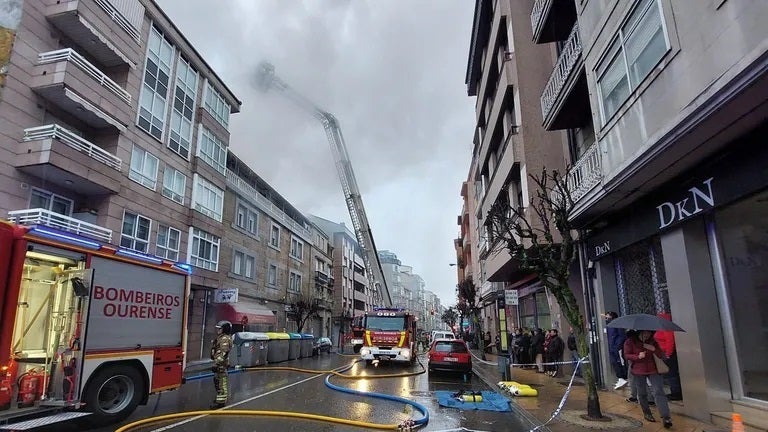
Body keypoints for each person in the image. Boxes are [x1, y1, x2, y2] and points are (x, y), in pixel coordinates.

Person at [623, 329, 673, 428]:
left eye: (649, 333)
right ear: (640, 332)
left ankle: (666, 417)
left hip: (653, 369)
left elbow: (661, 355)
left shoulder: (653, 341)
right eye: (645, 333)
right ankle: (647, 413)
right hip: (638, 370)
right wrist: (638, 356)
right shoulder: (630, 341)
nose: (647, 335)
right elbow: (627, 355)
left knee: (659, 391)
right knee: (642, 393)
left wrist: (654, 349)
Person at [654, 313, 683, 401]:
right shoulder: (661, 328)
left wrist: (668, 353)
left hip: (668, 353)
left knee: (671, 373)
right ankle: (675, 391)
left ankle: (676, 392)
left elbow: (670, 341)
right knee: (669, 373)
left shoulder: (667, 328)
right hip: (663, 352)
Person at [210, 320, 233, 409]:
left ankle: (221, 402)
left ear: (224, 329)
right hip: (219, 365)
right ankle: (219, 399)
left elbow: (224, 352)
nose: (218, 331)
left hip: (221, 366)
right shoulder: (221, 337)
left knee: (221, 383)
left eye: (220, 329)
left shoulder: (224, 339)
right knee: (217, 382)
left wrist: (217, 363)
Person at [605, 312, 628, 389]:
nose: (606, 316)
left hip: (616, 347)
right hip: (612, 347)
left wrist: (617, 346)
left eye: (607, 315)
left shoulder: (617, 324)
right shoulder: (609, 325)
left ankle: (622, 377)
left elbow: (622, 336)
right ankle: (620, 378)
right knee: (614, 362)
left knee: (619, 362)